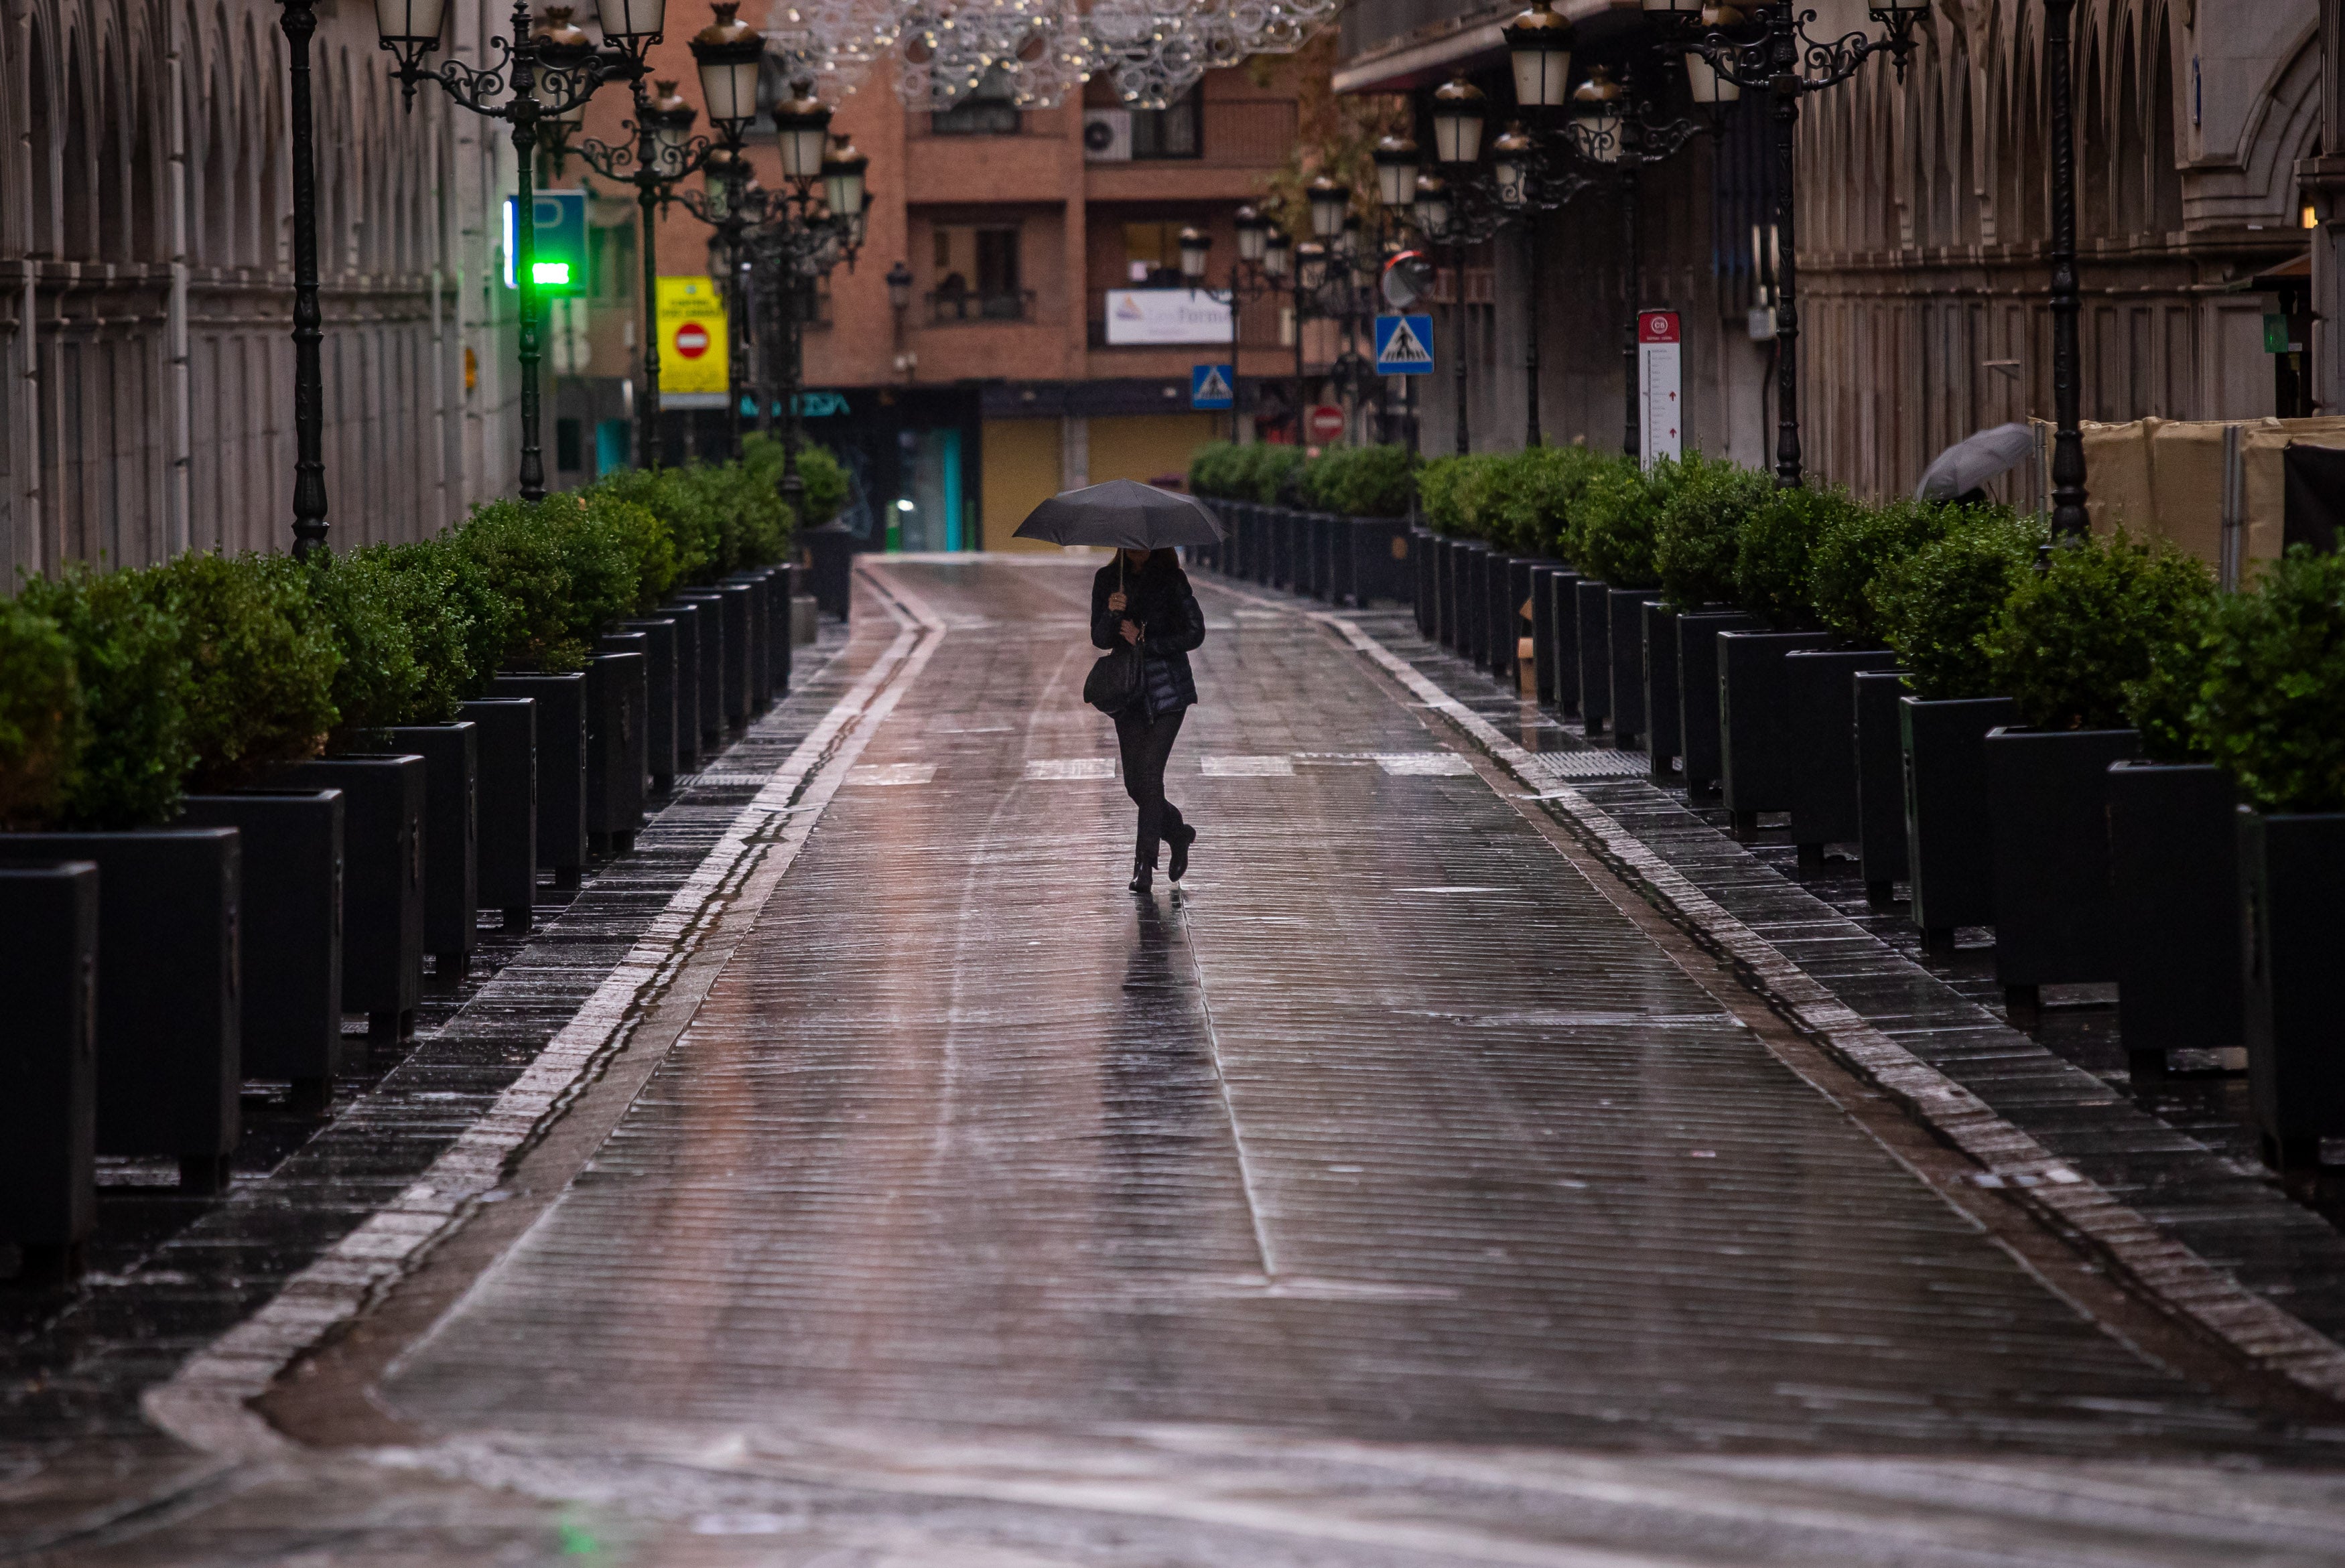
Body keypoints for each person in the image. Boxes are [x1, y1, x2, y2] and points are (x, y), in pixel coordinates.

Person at [1091, 545, 1205, 894]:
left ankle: (1144, 865)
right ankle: (1177, 832)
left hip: (1169, 690)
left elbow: (1195, 632)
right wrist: (1112, 615)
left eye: (1145, 547)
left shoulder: (1172, 579)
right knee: (1134, 784)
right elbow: (1098, 639)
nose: (1138, 552)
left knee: (1151, 775)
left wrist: (1146, 639)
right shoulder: (1108, 579)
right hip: (1130, 692)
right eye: (1132, 546)